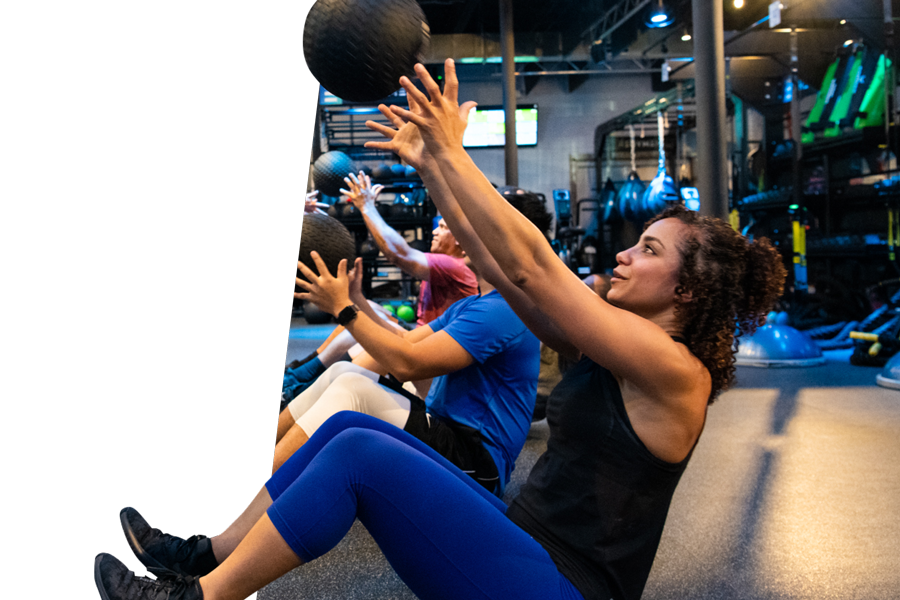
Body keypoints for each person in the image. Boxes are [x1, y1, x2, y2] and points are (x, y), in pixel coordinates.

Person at [94, 59, 787, 600]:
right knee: (347, 428)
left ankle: (198, 596)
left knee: (361, 456)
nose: (628, 255)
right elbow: (503, 271)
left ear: (689, 292)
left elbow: (535, 269)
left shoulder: (676, 373)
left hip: (564, 586)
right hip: (521, 543)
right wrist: (431, 163)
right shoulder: (614, 346)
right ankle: (202, 556)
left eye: (651, 251)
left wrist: (454, 152)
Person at [283, 173, 478, 402]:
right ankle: (297, 376)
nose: (435, 230)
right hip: (423, 338)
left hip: (435, 366)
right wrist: (355, 297)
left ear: (461, 241)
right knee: (368, 315)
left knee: (372, 344)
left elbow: (399, 254)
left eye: (443, 227)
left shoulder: (454, 266)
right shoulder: (444, 264)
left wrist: (366, 206)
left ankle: (300, 391)